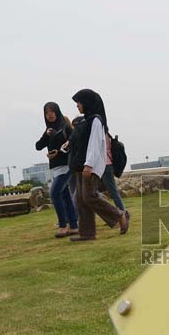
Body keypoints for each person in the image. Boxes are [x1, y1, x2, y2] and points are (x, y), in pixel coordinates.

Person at [67, 89, 130, 241]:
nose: (77, 106)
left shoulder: (95, 120)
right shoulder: (88, 120)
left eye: (79, 103)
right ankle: (87, 233)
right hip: (83, 165)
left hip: (91, 165)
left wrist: (88, 166)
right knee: (82, 200)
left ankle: (119, 215)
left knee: (89, 197)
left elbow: (95, 145)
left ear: (87, 103)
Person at [36, 102, 78, 238]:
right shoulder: (48, 130)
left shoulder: (65, 127)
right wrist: (48, 136)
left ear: (57, 112)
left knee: (54, 193)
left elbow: (75, 143)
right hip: (55, 168)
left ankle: (63, 224)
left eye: (52, 111)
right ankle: (73, 225)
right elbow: (38, 146)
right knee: (65, 196)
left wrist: (59, 152)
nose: (50, 114)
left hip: (67, 165)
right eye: (47, 112)